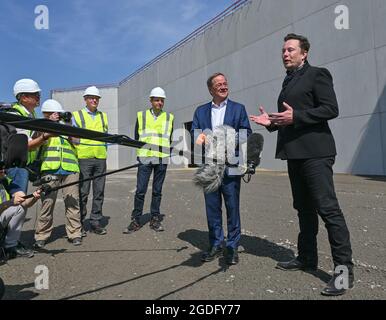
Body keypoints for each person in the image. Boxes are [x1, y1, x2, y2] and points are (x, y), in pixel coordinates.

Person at [250, 33, 354, 296]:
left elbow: (331, 109)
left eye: (291, 50)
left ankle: (343, 274)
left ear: (304, 53)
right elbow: (289, 119)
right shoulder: (288, 81)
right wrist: (271, 123)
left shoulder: (318, 74)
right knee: (303, 209)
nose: (285, 54)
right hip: (294, 154)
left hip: (316, 153)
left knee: (328, 210)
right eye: (283, 50)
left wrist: (296, 116)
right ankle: (307, 258)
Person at [191, 73, 251, 266]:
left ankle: (232, 247)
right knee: (212, 208)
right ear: (211, 90)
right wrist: (198, 137)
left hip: (231, 165)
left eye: (225, 83)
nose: (224, 86)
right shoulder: (200, 111)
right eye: (219, 84)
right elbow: (195, 131)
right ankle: (216, 244)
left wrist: (229, 140)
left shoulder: (238, 109)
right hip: (210, 166)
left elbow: (246, 132)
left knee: (232, 207)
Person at [33, 100, 83, 249]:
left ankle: (75, 234)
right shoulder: (41, 125)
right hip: (50, 169)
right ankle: (41, 235)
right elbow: (36, 138)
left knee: (73, 202)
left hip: (70, 168)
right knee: (47, 203)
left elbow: (77, 141)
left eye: (59, 114)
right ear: (47, 114)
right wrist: (49, 124)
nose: (58, 116)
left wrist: (67, 126)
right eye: (55, 114)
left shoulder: (69, 125)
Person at [124, 87, 174, 234]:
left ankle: (155, 219)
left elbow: (169, 138)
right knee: (140, 190)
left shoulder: (169, 117)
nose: (160, 103)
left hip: (161, 158)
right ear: (151, 101)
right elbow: (136, 138)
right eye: (157, 100)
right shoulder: (141, 116)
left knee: (157, 191)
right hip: (145, 158)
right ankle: (136, 219)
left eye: (162, 100)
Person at [72, 86, 108, 236]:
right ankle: (79, 222)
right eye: (92, 98)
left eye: (97, 98)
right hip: (84, 158)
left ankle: (95, 221)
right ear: (85, 99)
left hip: (100, 157)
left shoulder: (103, 116)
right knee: (83, 192)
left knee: (99, 192)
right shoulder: (77, 115)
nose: (94, 100)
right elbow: (73, 137)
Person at [7, 79, 51, 193]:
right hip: (15, 168)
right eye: (35, 94)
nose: (38, 97)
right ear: (24, 98)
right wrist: (45, 137)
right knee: (17, 205)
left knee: (20, 205)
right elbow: (26, 145)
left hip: (24, 166)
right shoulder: (15, 114)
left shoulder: (31, 115)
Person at [0, 164, 41, 259]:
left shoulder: (5, 181)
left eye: (2, 168)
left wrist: (35, 196)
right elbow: (9, 203)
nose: (3, 171)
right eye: (0, 169)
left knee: (20, 207)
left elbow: (25, 202)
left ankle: (10, 246)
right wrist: (10, 202)